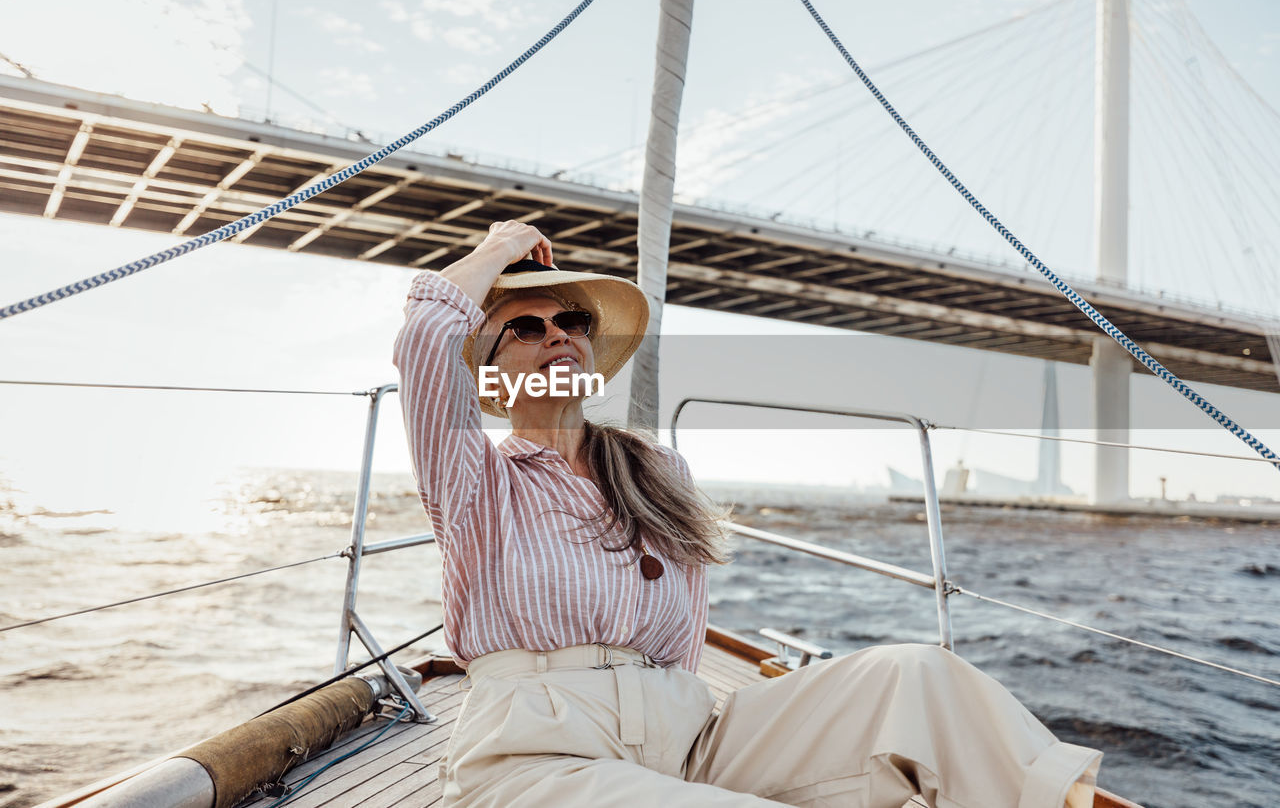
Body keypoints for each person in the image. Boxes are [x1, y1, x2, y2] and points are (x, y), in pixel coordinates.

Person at [393, 220, 1103, 808]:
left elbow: (678, 645)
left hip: (689, 735)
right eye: (525, 326)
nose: (558, 333)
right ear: (485, 370)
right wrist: (496, 251)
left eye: (571, 319)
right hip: (538, 756)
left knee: (921, 677)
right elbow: (426, 334)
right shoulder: (475, 478)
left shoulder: (656, 471)